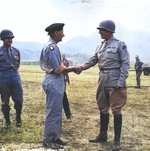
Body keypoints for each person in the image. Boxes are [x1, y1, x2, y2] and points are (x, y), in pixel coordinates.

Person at [76, 20, 130, 151]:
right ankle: (103, 135)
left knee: (116, 109)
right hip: (102, 78)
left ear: (110, 31)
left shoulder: (120, 45)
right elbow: (93, 60)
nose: (100, 32)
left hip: (115, 79)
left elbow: (125, 64)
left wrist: (121, 81)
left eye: (102, 30)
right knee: (102, 107)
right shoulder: (100, 46)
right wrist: (82, 67)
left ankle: (117, 141)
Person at [40, 23, 79, 149]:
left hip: (56, 81)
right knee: (53, 112)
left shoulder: (53, 47)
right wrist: (74, 68)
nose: (63, 34)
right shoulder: (51, 48)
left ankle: (55, 137)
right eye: (62, 32)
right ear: (56, 33)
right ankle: (49, 140)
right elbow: (58, 69)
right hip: (54, 80)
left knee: (57, 111)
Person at [0, 29, 23, 129]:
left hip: (15, 76)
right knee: (5, 101)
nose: (9, 40)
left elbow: (18, 64)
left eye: (11, 38)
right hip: (3, 76)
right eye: (7, 38)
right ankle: (8, 121)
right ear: (2, 39)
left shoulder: (16, 51)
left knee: (18, 100)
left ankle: (18, 118)